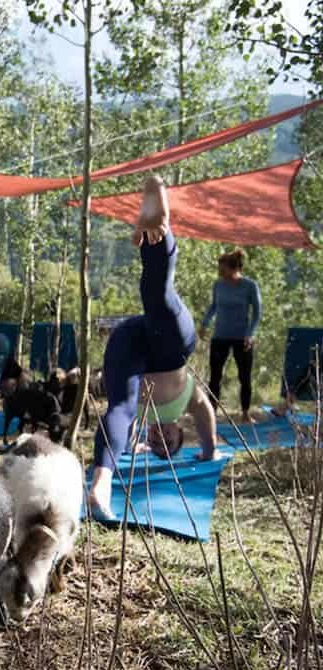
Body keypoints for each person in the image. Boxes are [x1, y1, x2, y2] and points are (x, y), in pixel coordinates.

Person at [87, 176, 218, 521]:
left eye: (156, 444)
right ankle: (156, 230)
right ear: (180, 432)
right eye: (170, 441)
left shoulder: (139, 424)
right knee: (159, 296)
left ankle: (100, 486)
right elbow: (206, 415)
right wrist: (210, 452)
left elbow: (121, 429)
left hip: (130, 342)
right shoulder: (186, 404)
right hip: (172, 345)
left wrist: (136, 444)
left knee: (120, 407)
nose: (162, 438)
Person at [199, 250, 262, 423]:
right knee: (215, 376)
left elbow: (257, 313)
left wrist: (250, 334)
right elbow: (213, 306)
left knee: (244, 376)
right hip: (220, 336)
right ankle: (211, 411)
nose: (220, 273)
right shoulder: (218, 285)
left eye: (223, 270)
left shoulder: (250, 286)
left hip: (242, 337)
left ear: (234, 269)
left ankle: (245, 412)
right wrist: (204, 324)